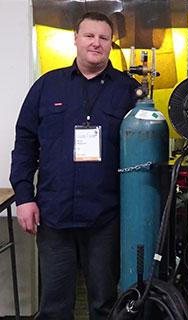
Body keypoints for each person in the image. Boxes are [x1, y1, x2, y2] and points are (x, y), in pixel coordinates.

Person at [10, 12, 139, 319]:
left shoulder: (129, 90)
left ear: (110, 44)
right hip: (54, 216)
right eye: (89, 36)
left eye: (104, 38)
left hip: (105, 218)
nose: (96, 43)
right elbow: (25, 144)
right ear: (76, 40)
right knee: (54, 306)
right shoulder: (46, 87)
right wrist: (25, 197)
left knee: (104, 304)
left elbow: (145, 151)